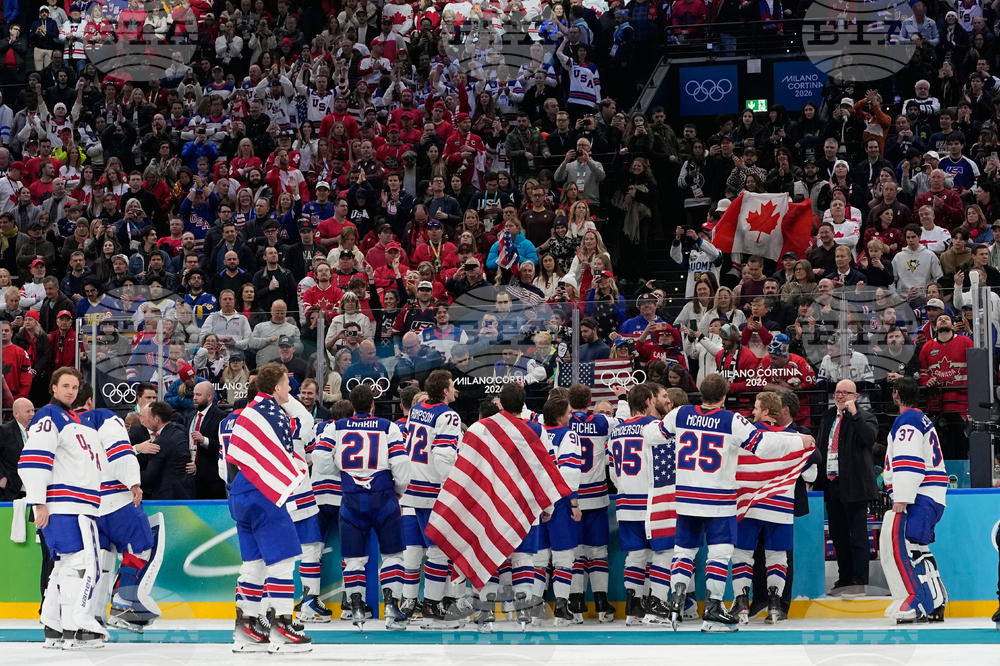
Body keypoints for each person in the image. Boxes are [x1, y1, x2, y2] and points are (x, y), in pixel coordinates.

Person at [656, 374, 814, 631]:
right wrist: (797, 440)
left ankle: (676, 601)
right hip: (720, 499)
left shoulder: (680, 414)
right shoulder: (732, 420)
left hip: (686, 498)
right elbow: (764, 447)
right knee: (721, 555)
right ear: (724, 396)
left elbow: (653, 433)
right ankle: (714, 608)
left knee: (684, 552)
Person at [18, 367, 108, 649]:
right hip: (66, 504)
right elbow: (34, 459)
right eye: (64, 386)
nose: (70, 391)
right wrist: (38, 501)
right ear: (53, 388)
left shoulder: (73, 419)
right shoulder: (49, 416)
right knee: (77, 565)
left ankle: (54, 627)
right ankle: (76, 628)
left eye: (74, 386)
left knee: (64, 565)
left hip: (77, 504)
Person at [226, 363, 312, 653]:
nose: (291, 389)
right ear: (276, 387)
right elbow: (295, 442)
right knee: (282, 562)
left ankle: (247, 628)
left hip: (239, 492)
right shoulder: (276, 413)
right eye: (287, 385)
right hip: (264, 493)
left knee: (253, 565)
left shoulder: (247, 412)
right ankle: (283, 627)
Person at [318, 384, 411, 631]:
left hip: (350, 498)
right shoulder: (388, 426)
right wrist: (399, 490)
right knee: (392, 555)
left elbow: (319, 460)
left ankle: (356, 608)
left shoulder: (334, 426)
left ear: (351, 405)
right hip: (384, 497)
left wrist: (340, 471)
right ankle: (391, 606)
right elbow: (401, 464)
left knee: (354, 559)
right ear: (373, 404)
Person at [71, 382, 161, 633]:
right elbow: (119, 452)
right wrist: (134, 482)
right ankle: (124, 605)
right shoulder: (104, 417)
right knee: (140, 547)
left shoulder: (63, 423)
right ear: (90, 401)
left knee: (99, 559)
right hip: (115, 498)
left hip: (83, 504)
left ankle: (94, 615)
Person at [730, 392, 817, 625]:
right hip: (780, 505)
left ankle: (741, 605)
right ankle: (775, 606)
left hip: (748, 504)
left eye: (757, 408)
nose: (753, 412)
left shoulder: (745, 436)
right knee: (777, 557)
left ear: (766, 411)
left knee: (742, 555)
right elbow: (811, 472)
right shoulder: (794, 437)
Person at [879, 377, 948, 623]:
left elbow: (910, 462)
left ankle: (919, 600)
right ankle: (936, 600)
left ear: (897, 394)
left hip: (920, 494)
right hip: (931, 494)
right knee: (919, 547)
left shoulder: (907, 420)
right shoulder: (920, 418)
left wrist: (902, 496)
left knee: (909, 548)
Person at [608, 382, 675, 626]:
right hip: (651, 501)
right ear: (648, 402)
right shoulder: (656, 427)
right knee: (663, 552)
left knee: (635, 556)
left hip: (625, 501)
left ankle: (633, 606)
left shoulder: (616, 430)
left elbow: (613, 471)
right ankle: (657, 604)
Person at [400, 369, 464, 626]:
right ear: (445, 391)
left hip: (413, 486)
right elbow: (442, 456)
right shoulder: (448, 415)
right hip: (432, 489)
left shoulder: (418, 407)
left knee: (416, 551)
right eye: (452, 385)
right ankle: (433, 606)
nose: (454, 388)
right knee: (438, 552)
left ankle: (411, 602)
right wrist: (454, 485)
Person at [814, 380, 879, 598]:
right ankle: (844, 579)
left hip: (856, 483)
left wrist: (854, 414)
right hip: (832, 483)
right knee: (838, 534)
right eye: (837, 392)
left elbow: (868, 439)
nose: (840, 396)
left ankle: (859, 582)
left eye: (845, 393)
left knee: (858, 534)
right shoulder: (828, 416)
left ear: (856, 396)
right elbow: (821, 445)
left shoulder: (866, 416)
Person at [566, 384, 619, 622]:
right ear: (589, 401)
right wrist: (624, 398)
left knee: (575, 553)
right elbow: (627, 421)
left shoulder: (562, 422)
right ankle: (601, 603)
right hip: (596, 496)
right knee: (598, 552)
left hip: (571, 497)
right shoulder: (602, 422)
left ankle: (575, 604)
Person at [139, 401, 195, 501]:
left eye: (148, 417)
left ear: (156, 419)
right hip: (186, 491)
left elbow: (149, 476)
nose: (145, 420)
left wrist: (129, 475)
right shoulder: (180, 430)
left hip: (167, 498)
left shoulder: (160, 442)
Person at [188, 381, 226, 500]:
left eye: (198, 395)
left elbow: (223, 447)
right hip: (191, 477)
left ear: (209, 396)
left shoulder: (221, 417)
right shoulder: (190, 416)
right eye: (194, 394)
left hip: (212, 480)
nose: (194, 398)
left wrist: (204, 440)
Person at [0, 398, 34, 501]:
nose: (32, 414)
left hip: (34, 488)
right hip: (12, 489)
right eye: (27, 411)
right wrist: (1, 477)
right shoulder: (4, 431)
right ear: (16, 414)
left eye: (33, 410)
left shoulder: (38, 430)